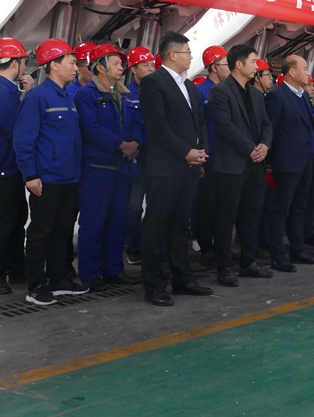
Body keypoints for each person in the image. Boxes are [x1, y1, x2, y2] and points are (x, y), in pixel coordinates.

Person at [139, 32, 213, 306]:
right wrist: (185, 152)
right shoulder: (153, 83)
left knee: (181, 225)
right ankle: (154, 285)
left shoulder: (189, 85)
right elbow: (158, 126)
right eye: (187, 52)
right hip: (165, 168)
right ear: (172, 55)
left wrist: (200, 152)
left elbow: (199, 122)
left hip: (190, 167)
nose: (191, 57)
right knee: (156, 227)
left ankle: (183, 278)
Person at [13, 39, 86, 306]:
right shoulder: (37, 97)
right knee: (41, 232)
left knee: (62, 230)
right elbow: (24, 139)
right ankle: (36, 285)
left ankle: (59, 280)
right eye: (71, 63)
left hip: (70, 177)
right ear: (53, 65)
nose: (76, 68)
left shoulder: (68, 97)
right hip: (47, 178)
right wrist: (31, 175)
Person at [74, 44, 143, 292]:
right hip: (98, 168)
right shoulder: (86, 95)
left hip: (121, 167)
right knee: (94, 222)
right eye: (115, 63)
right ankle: (90, 275)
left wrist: (135, 142)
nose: (121, 67)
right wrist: (120, 144)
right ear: (100, 67)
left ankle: (113, 270)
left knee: (117, 221)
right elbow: (90, 128)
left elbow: (137, 122)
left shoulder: (125, 94)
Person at [209, 44, 274, 282]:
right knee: (225, 218)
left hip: (255, 165)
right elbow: (225, 126)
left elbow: (266, 123)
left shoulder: (255, 94)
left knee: (250, 215)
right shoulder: (220, 92)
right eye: (253, 61)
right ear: (239, 64)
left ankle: (249, 262)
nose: (256, 66)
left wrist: (264, 145)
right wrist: (250, 149)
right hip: (231, 165)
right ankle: (224, 268)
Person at [0, 38, 34, 295]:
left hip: (6, 167)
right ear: (15, 63)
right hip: (2, 169)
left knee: (16, 219)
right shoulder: (1, 92)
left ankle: (17, 269)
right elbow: (16, 130)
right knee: (4, 223)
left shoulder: (2, 88)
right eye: (23, 61)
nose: (24, 66)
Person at [264, 54, 314, 270]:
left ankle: (298, 251)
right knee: (281, 210)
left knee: (299, 208)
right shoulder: (277, 97)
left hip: (305, 162)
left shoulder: (302, 96)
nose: (308, 73)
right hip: (286, 164)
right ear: (291, 71)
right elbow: (270, 131)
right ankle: (277, 256)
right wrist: (270, 163)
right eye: (304, 68)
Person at [192, 46, 229, 266]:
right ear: (214, 67)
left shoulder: (228, 90)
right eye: (225, 64)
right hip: (209, 156)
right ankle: (206, 247)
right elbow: (198, 125)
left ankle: (221, 247)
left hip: (226, 157)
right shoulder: (201, 91)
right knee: (205, 205)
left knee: (222, 206)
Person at [122, 46, 154, 265]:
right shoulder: (127, 94)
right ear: (133, 69)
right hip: (137, 158)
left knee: (156, 204)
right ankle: (132, 246)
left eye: (152, 64)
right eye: (145, 65)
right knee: (134, 206)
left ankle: (150, 245)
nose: (150, 68)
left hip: (158, 158)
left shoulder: (159, 91)